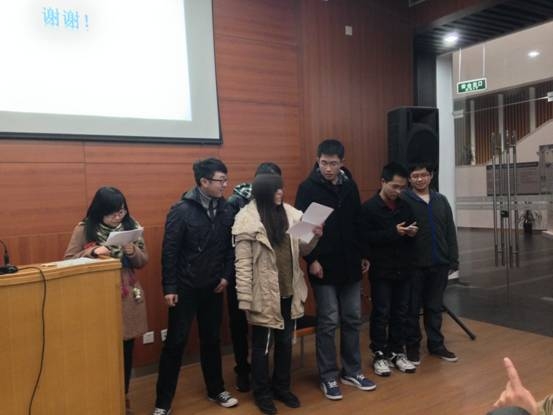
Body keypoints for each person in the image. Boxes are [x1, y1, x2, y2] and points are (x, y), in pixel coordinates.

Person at [152, 158, 238, 415]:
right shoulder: (181, 210)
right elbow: (170, 251)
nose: (224, 185)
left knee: (212, 340)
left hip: (214, 286)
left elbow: (231, 248)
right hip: (185, 288)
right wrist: (169, 287)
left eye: (225, 180)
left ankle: (216, 389)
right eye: (220, 180)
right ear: (203, 182)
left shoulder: (226, 209)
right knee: (175, 344)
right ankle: (162, 402)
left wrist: (226, 276)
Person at [233, 174, 322, 414]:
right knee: (262, 347)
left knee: (285, 343)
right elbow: (242, 264)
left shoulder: (291, 214)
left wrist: (314, 234)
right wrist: (244, 298)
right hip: (263, 294)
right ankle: (261, 393)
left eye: (281, 188)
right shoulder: (246, 220)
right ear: (264, 192)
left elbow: (304, 249)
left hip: (289, 290)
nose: (281, 192)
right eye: (276, 190)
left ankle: (282, 387)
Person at [295, 139, 375, 400]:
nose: (328, 168)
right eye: (324, 163)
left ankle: (352, 370)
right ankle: (328, 375)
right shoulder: (307, 188)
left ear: (342, 162)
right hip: (323, 265)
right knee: (328, 321)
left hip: (350, 262)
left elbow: (358, 222)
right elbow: (303, 231)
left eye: (333, 163)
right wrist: (312, 259)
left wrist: (364, 253)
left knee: (352, 318)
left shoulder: (350, 186)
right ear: (317, 160)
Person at [64, 186, 148, 415]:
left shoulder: (131, 226)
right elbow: (69, 259)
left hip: (127, 294)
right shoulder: (84, 228)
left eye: (121, 211)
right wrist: (92, 252)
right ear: (99, 211)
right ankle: (100, 400)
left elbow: (143, 261)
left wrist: (131, 251)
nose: (118, 217)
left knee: (126, 351)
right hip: (96, 296)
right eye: (112, 213)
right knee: (98, 352)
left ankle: (122, 398)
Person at [226, 162, 283, 393]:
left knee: (268, 326)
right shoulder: (236, 203)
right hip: (240, 272)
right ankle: (243, 369)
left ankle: (268, 374)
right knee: (240, 325)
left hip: (269, 276)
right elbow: (229, 241)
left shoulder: (279, 203)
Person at [359, 162, 418, 377]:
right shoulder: (369, 208)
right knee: (381, 312)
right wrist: (394, 232)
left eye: (402, 187)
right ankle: (379, 354)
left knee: (401, 312)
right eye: (394, 186)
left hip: (404, 267)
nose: (398, 191)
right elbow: (366, 238)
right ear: (383, 182)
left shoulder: (405, 206)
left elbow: (413, 232)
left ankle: (396, 351)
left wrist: (412, 233)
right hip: (382, 269)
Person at [402, 163, 459, 365]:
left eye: (424, 175)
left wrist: (453, 259)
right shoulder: (403, 200)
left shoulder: (441, 200)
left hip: (439, 263)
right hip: (413, 265)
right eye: (415, 175)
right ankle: (412, 347)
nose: (420, 179)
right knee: (411, 309)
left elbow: (450, 231)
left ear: (431, 176)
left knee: (434, 307)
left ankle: (436, 345)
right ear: (409, 178)